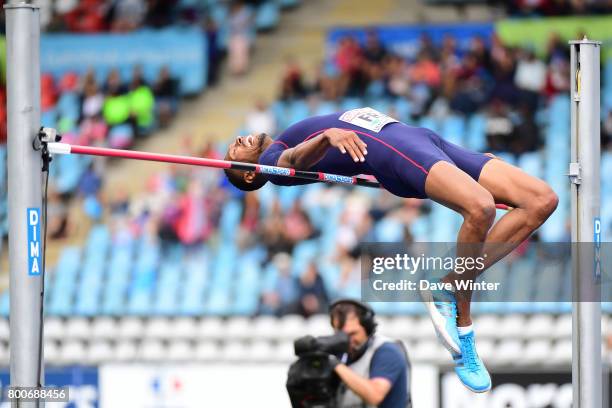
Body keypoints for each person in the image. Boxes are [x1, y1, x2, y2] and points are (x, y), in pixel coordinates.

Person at [223, 107, 559, 392]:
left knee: (541, 200)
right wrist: (326, 137)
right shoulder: (270, 162)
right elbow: (291, 161)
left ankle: (450, 284)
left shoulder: (283, 135)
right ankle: (463, 322)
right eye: (232, 153)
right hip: (398, 153)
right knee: (481, 208)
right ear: (251, 176)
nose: (236, 142)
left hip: (426, 140)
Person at [329, 299, 410, 407]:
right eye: (341, 334)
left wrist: (335, 365)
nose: (347, 340)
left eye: (353, 334)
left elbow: (374, 395)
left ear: (367, 328)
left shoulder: (387, 351)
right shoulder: (341, 354)